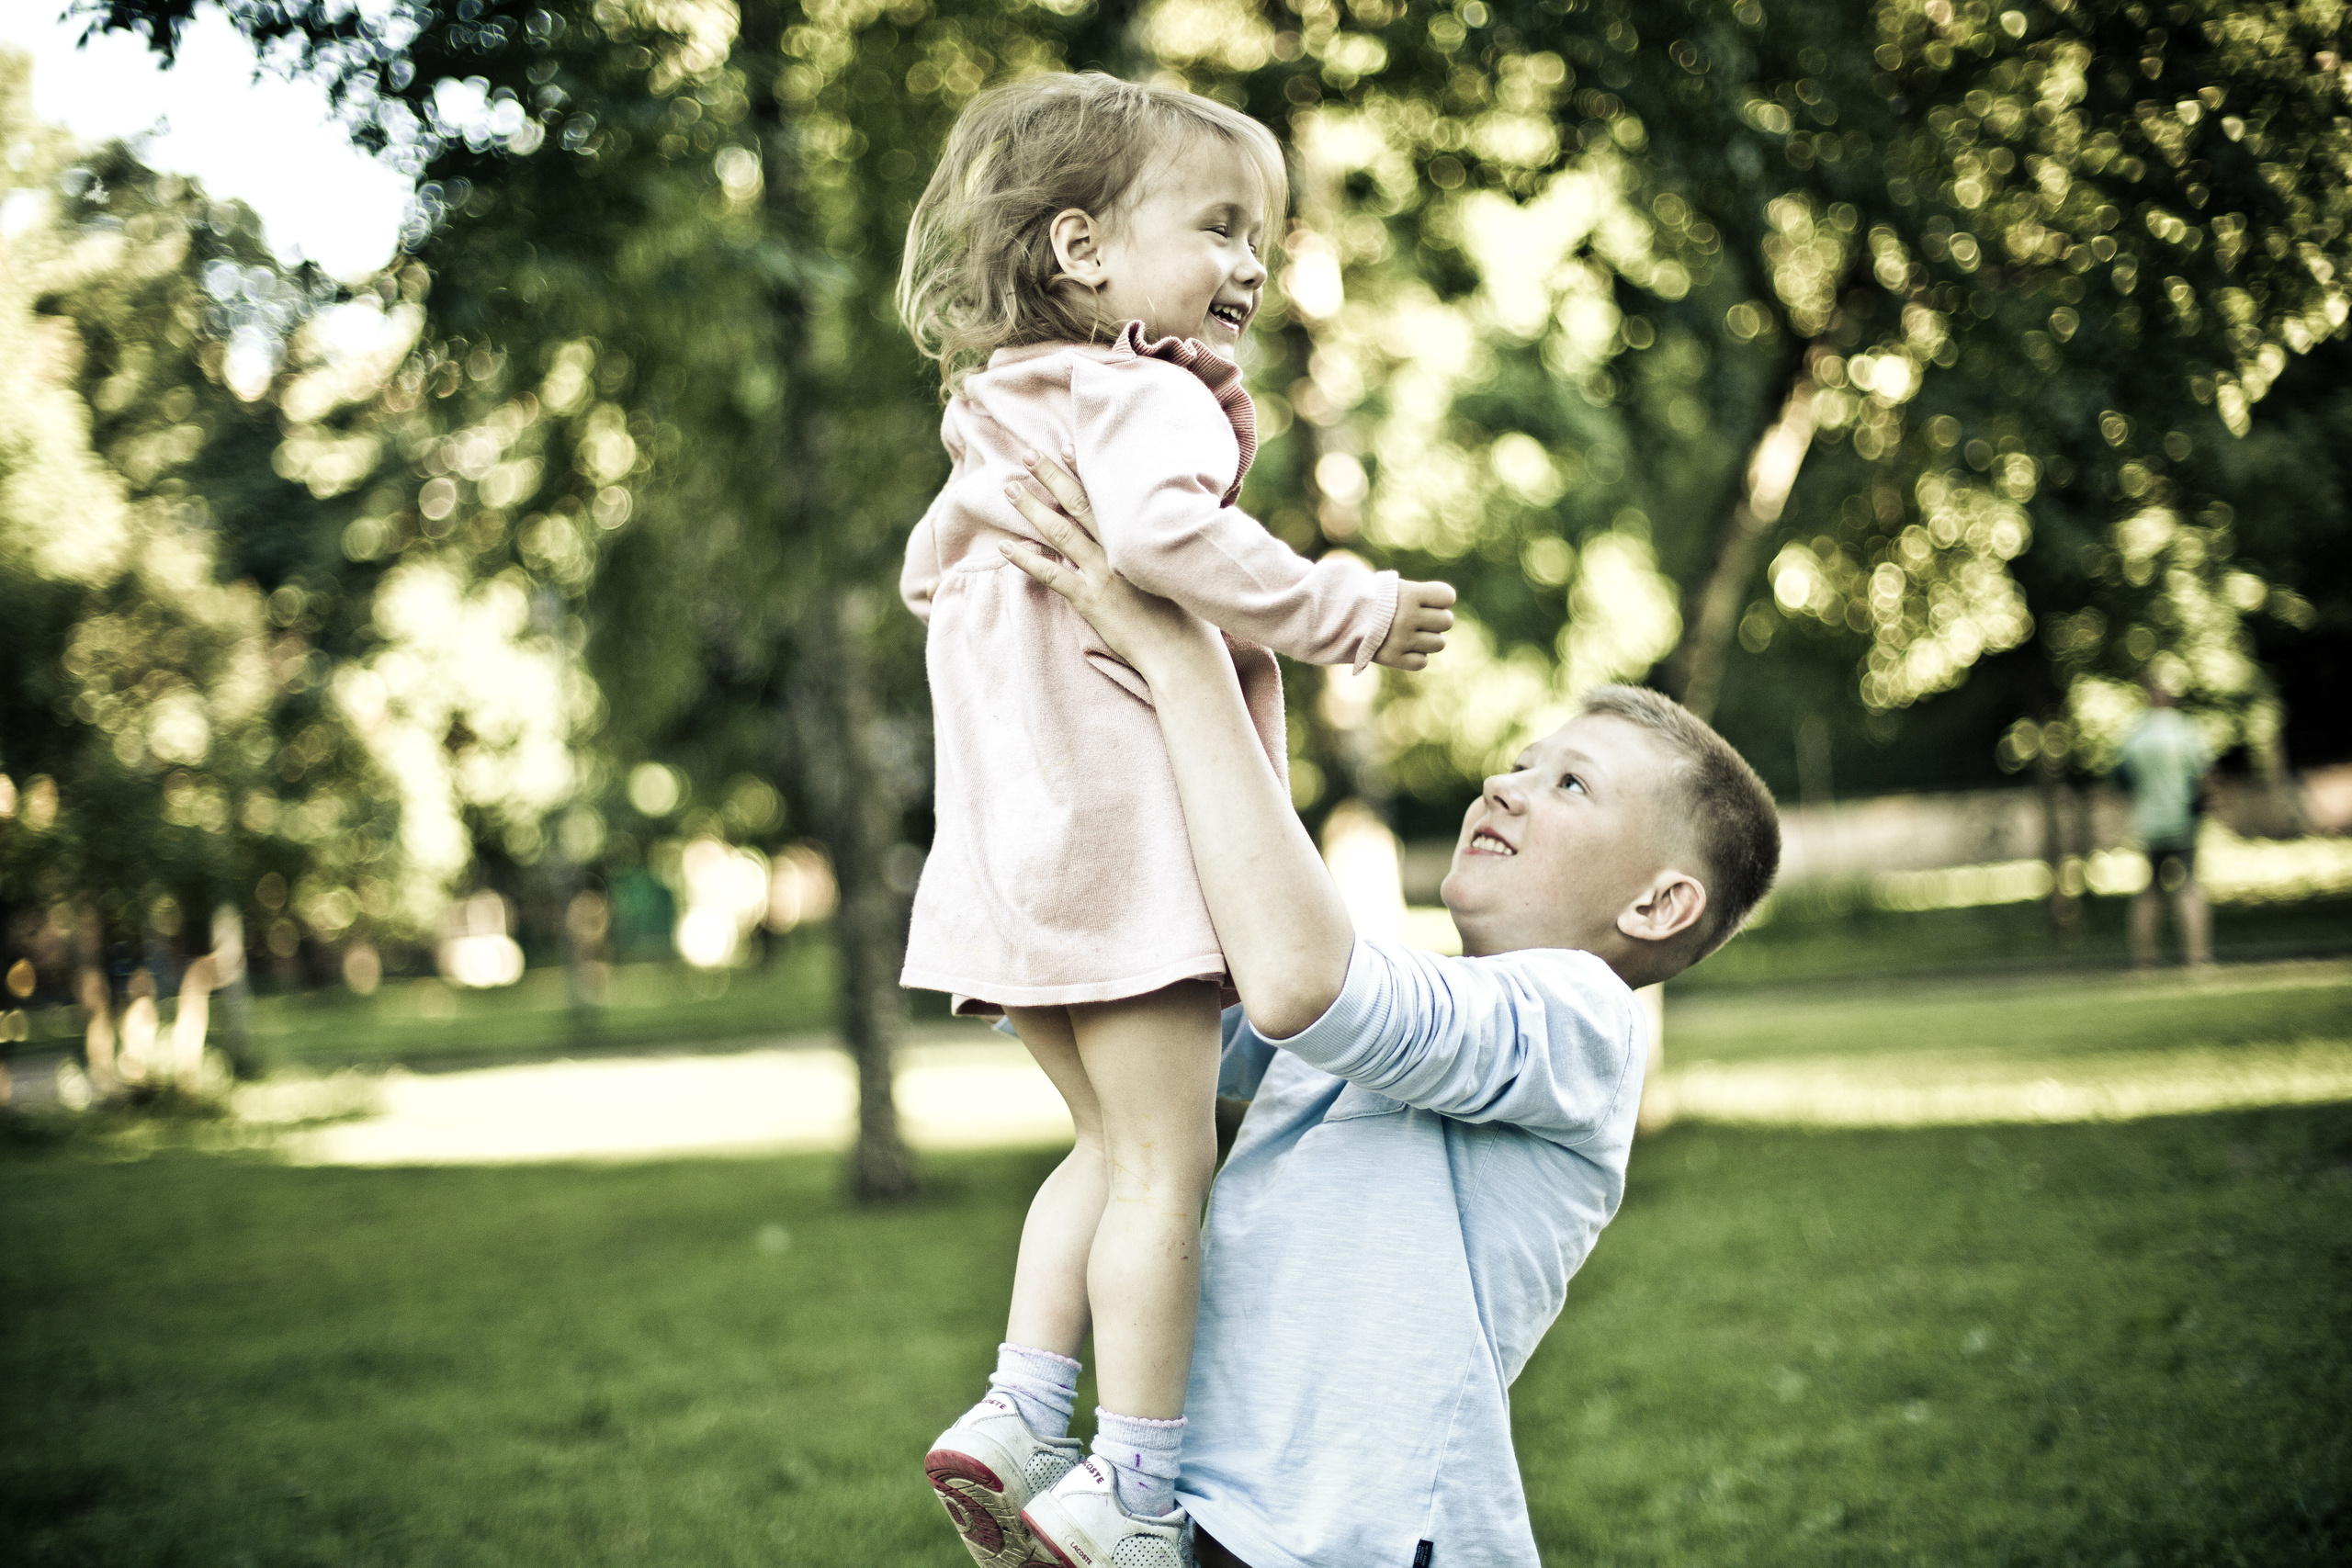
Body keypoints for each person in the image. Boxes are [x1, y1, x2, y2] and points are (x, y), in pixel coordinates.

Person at [980, 456, 1781, 1567]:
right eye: (1521, 762)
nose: (1503, 785)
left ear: (1659, 902)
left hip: (1364, 1534)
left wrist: (1182, 654)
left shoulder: (1579, 1022)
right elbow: (1150, 1030)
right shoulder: (1413, 1007)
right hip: (1220, 1508)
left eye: (1571, 785)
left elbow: (1305, 979)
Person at [895, 73, 1459, 1567]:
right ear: (1084, 251)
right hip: (1127, 868)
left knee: (1105, 1145)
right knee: (1167, 1166)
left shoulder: (993, 409)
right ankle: (1134, 1491)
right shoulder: (1144, 392)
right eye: (1218, 226)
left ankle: (1020, 1406)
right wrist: (1352, 609)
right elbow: (1161, 535)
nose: (1252, 264)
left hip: (1016, 879)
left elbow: (924, 571)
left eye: (1262, 235)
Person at [2114, 679, 2215, 967]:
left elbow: (2122, 778)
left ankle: (2144, 959)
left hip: (2149, 823)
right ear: (2172, 699)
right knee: (2190, 885)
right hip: (2183, 820)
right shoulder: (2187, 730)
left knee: (2151, 888)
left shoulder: (2135, 734)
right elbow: (2205, 775)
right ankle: (2198, 956)